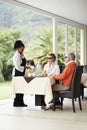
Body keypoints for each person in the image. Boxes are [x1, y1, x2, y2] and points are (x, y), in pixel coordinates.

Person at [12, 40, 30, 107]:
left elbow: (23, 61)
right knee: (18, 88)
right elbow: (18, 66)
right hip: (17, 73)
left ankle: (21, 102)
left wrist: (28, 61)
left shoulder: (21, 54)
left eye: (23, 48)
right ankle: (16, 103)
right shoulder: (16, 56)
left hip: (21, 73)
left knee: (21, 88)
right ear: (17, 48)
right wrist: (25, 66)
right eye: (21, 48)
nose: (22, 49)